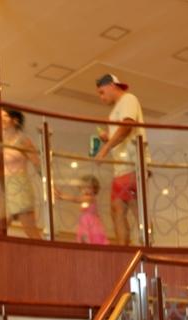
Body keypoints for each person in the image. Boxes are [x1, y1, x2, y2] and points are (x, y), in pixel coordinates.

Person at [92, 73, 146, 245]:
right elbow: (121, 134)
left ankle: (146, 245)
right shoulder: (116, 109)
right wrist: (107, 139)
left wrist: (105, 148)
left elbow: (127, 126)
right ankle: (125, 249)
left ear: (111, 86)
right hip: (123, 166)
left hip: (132, 164)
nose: (101, 97)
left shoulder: (128, 99)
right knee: (117, 210)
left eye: (102, 92)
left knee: (135, 210)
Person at [0, 109, 42, 239]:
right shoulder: (1, 141)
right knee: (0, 227)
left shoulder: (23, 140)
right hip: (5, 186)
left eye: (5, 116)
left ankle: (46, 252)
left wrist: (50, 184)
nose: (1, 119)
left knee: (30, 230)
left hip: (19, 185)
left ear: (15, 120)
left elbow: (37, 164)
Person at [55, 175, 109, 245]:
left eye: (89, 188)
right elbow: (75, 199)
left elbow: (76, 199)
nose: (86, 190)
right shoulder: (85, 197)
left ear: (94, 189)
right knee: (84, 237)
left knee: (90, 238)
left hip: (91, 223)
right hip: (84, 222)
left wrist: (62, 197)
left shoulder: (90, 198)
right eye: (83, 188)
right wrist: (60, 194)